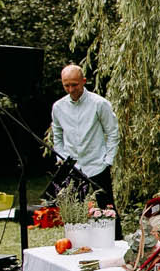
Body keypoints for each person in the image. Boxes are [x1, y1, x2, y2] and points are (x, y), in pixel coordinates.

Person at [47, 64, 120, 212]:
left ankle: (116, 236)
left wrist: (108, 160)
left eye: (74, 85)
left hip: (97, 163)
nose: (71, 89)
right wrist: (61, 158)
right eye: (66, 85)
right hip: (73, 166)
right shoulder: (58, 107)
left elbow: (113, 132)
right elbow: (58, 135)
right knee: (74, 212)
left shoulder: (99, 103)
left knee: (108, 210)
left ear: (84, 81)